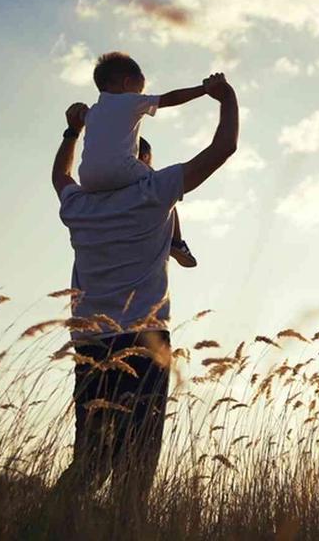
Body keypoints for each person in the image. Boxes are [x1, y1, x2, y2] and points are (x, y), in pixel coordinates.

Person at [50, 72, 238, 510]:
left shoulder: (78, 205)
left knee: (89, 462)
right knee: (136, 469)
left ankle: (44, 526)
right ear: (135, 157)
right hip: (144, 339)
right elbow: (223, 148)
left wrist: (72, 132)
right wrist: (225, 97)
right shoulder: (153, 192)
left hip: (90, 344)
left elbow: (60, 174)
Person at [80, 51, 201, 267]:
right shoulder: (129, 101)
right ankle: (176, 242)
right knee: (164, 186)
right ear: (127, 83)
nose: (139, 95)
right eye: (139, 90)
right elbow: (171, 98)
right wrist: (203, 90)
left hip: (87, 179)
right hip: (120, 168)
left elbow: (82, 119)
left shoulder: (92, 112)